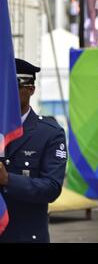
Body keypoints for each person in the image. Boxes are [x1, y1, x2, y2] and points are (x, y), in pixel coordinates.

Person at [0, 59, 67, 243]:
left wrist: (8, 180)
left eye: (15, 85)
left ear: (30, 89)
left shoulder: (49, 133)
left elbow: (51, 188)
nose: (7, 93)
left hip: (25, 235)